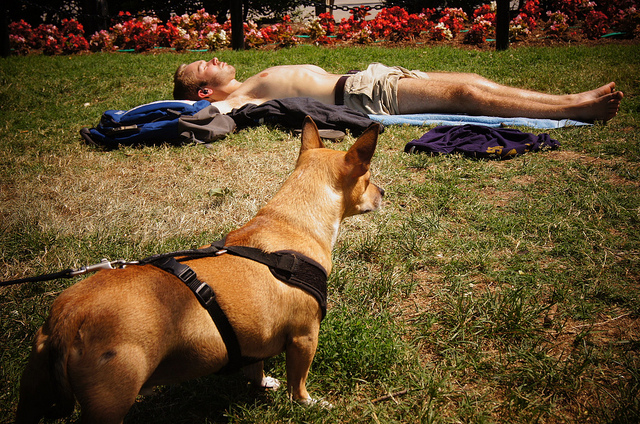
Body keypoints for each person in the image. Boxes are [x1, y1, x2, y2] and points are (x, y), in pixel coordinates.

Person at [173, 57, 623, 122]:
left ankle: (571, 99)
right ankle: (576, 111)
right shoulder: (239, 99)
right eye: (204, 66)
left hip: (371, 76)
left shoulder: (250, 79)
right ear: (203, 91)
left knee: (472, 82)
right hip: (361, 95)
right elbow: (192, 115)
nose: (213, 60)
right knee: (466, 98)